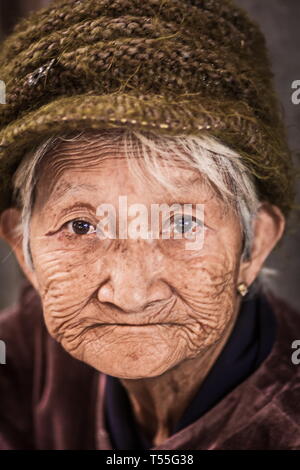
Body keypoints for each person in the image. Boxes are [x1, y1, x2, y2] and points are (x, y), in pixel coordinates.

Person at [0, 0, 299, 450]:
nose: (129, 294)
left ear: (253, 245)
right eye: (81, 226)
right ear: (24, 250)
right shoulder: (26, 353)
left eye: (181, 223)